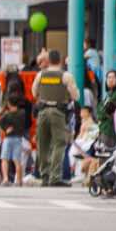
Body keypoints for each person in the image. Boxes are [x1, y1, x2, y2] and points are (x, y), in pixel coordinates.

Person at [32, 50, 73, 185]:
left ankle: (45, 176)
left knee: (42, 144)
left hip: (43, 111)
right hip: (58, 112)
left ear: (48, 60)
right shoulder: (65, 75)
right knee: (59, 143)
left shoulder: (40, 75)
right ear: (60, 60)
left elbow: (34, 92)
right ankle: (55, 177)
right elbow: (75, 95)